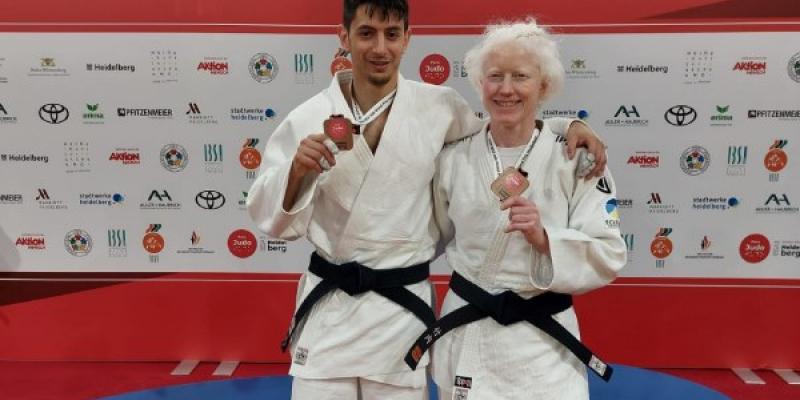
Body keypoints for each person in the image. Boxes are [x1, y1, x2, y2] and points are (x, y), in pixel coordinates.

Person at [246, 1, 609, 398]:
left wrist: (566, 126)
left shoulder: (439, 107)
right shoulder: (308, 117)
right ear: (343, 36)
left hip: (399, 316)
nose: (380, 47)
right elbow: (270, 218)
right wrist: (296, 172)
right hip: (330, 312)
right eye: (366, 33)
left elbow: (504, 131)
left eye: (391, 34)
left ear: (407, 39)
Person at [410, 19, 627, 400]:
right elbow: (426, 235)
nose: (506, 89)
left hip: (544, 348)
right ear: (480, 83)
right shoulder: (453, 157)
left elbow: (609, 251)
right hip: (471, 336)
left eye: (521, 77)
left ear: (544, 85)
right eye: (495, 76)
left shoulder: (578, 159)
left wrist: (546, 240)